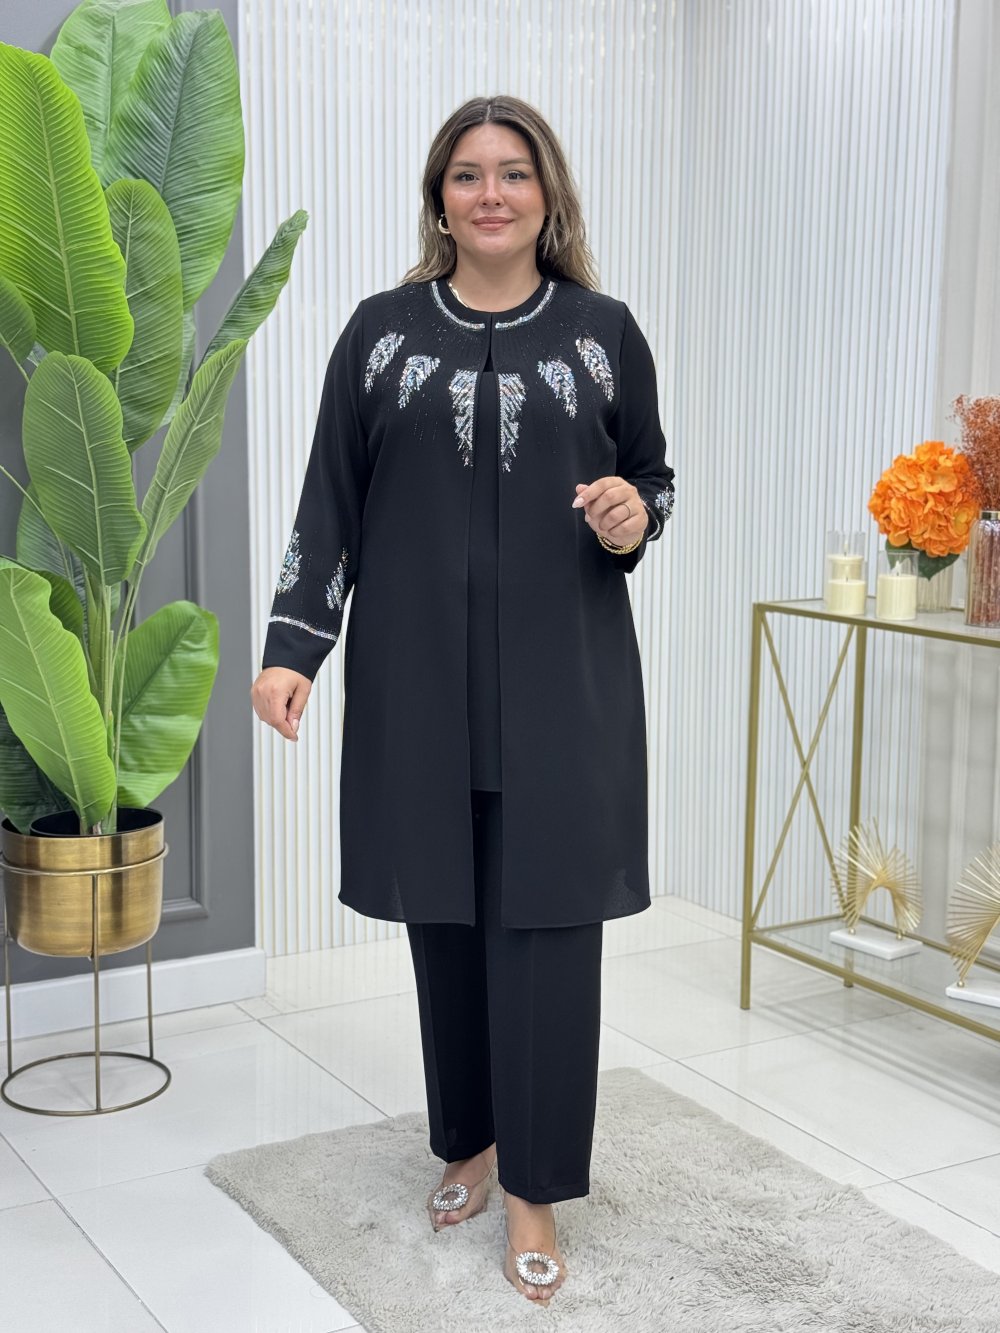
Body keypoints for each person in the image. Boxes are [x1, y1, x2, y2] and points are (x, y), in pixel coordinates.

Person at [250, 93, 674, 1306]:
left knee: (548, 927)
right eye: (468, 174)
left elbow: (650, 477)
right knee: (444, 916)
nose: (491, 194)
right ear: (439, 198)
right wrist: (294, 647)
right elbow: (330, 499)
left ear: (548, 194)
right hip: (418, 679)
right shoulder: (380, 334)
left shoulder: (602, 333)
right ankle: (469, 1142)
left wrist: (632, 515)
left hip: (563, 685)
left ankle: (535, 1187)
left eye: (514, 173)